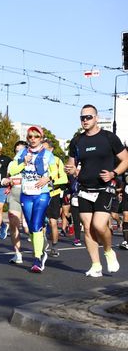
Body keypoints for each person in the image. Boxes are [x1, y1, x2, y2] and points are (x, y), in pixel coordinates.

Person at [65, 105, 128, 277]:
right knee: (87, 227)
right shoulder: (77, 141)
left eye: (88, 117)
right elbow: (71, 164)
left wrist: (114, 173)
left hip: (104, 188)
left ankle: (108, 251)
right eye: (82, 118)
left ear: (96, 118)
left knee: (99, 225)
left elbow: (125, 160)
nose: (85, 120)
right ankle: (95, 264)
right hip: (84, 188)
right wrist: (70, 170)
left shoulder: (109, 137)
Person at [9, 126, 57, 273]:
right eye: (30, 136)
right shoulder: (23, 152)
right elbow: (12, 171)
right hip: (26, 193)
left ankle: (37, 259)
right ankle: (41, 249)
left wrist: (47, 178)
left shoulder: (47, 154)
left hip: (41, 193)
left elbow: (55, 171)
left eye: (36, 136)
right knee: (30, 226)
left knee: (36, 225)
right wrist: (24, 163)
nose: (33, 139)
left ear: (41, 138)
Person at [42, 137, 68, 258]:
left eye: (46, 149)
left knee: (53, 222)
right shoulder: (37, 160)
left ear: (51, 149)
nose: (43, 151)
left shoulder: (57, 161)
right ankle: (41, 246)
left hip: (53, 193)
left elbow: (64, 178)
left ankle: (54, 246)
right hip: (39, 194)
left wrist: (51, 181)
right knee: (39, 222)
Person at [6, 140, 29, 264]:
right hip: (14, 195)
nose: (18, 153)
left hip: (28, 195)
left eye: (21, 151)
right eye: (16, 151)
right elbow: (9, 175)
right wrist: (7, 180)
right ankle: (17, 254)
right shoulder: (12, 163)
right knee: (14, 225)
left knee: (27, 228)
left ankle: (41, 247)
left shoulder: (32, 162)